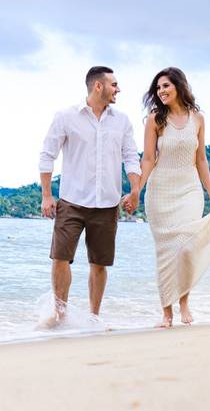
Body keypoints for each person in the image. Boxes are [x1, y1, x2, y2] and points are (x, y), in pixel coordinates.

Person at [39, 67, 141, 328]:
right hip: (71, 201)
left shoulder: (122, 121)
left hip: (107, 204)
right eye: (114, 84)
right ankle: (60, 315)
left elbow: (131, 157)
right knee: (60, 258)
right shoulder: (65, 117)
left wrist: (134, 190)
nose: (118, 89)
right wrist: (47, 195)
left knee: (99, 263)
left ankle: (94, 317)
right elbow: (47, 155)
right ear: (98, 86)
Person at [124, 67, 210, 328]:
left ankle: (184, 302)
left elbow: (201, 159)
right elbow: (147, 159)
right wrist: (136, 190)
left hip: (189, 189)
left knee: (187, 247)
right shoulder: (155, 119)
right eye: (158, 88)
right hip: (160, 192)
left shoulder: (198, 119)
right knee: (166, 251)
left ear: (179, 86)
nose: (161, 91)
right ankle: (166, 313)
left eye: (165, 86)